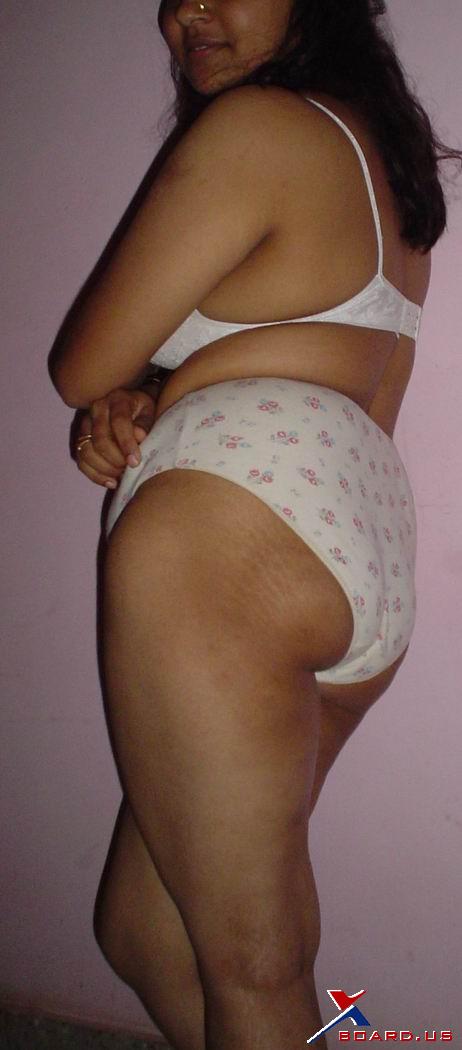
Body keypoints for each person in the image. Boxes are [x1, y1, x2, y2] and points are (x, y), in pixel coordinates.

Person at [49, 2, 461, 1047]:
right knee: (144, 927)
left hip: (228, 533)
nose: (190, 10)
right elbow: (321, 359)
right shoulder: (386, 172)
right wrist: (158, 394)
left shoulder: (256, 126)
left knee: (252, 964)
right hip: (354, 549)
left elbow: (81, 363)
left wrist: (134, 387)